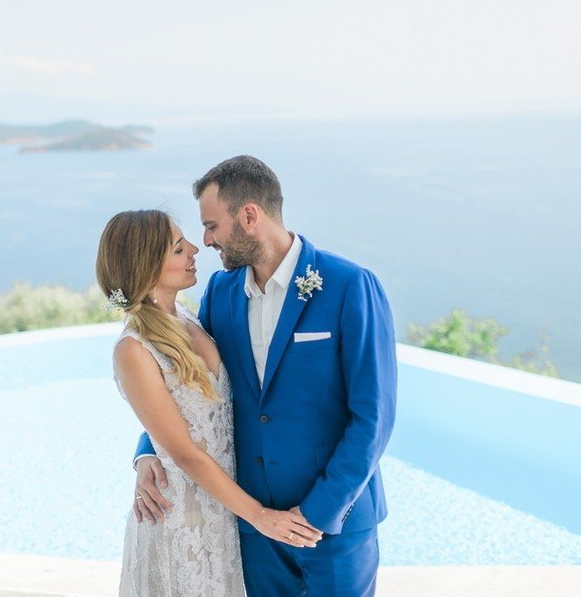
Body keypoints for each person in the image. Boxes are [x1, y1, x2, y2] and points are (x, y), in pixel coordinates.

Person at [132, 156, 397, 596]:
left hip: (335, 523)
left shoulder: (349, 285)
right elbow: (188, 386)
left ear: (249, 216)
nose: (206, 240)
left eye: (212, 226)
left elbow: (374, 417)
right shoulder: (221, 292)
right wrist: (147, 453)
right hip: (252, 527)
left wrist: (317, 513)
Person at [97, 209, 323, 597]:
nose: (194, 249)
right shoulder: (133, 349)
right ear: (147, 267)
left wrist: (145, 453)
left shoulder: (187, 317)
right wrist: (262, 517)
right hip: (179, 524)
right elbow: (185, 453)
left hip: (221, 514)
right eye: (177, 248)